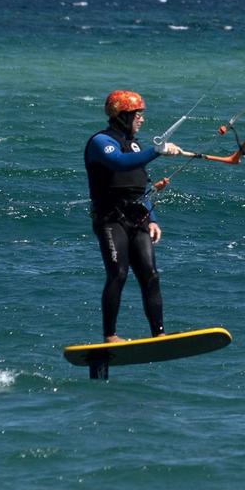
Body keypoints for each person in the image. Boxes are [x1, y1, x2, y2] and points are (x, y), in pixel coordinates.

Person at [83, 90, 185, 342]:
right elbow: (119, 163)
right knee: (118, 273)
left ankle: (159, 335)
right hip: (110, 218)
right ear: (121, 115)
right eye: (137, 114)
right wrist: (158, 150)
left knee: (150, 274)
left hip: (138, 217)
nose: (141, 119)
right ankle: (110, 336)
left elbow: (139, 188)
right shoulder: (100, 141)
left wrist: (152, 218)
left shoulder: (137, 145)